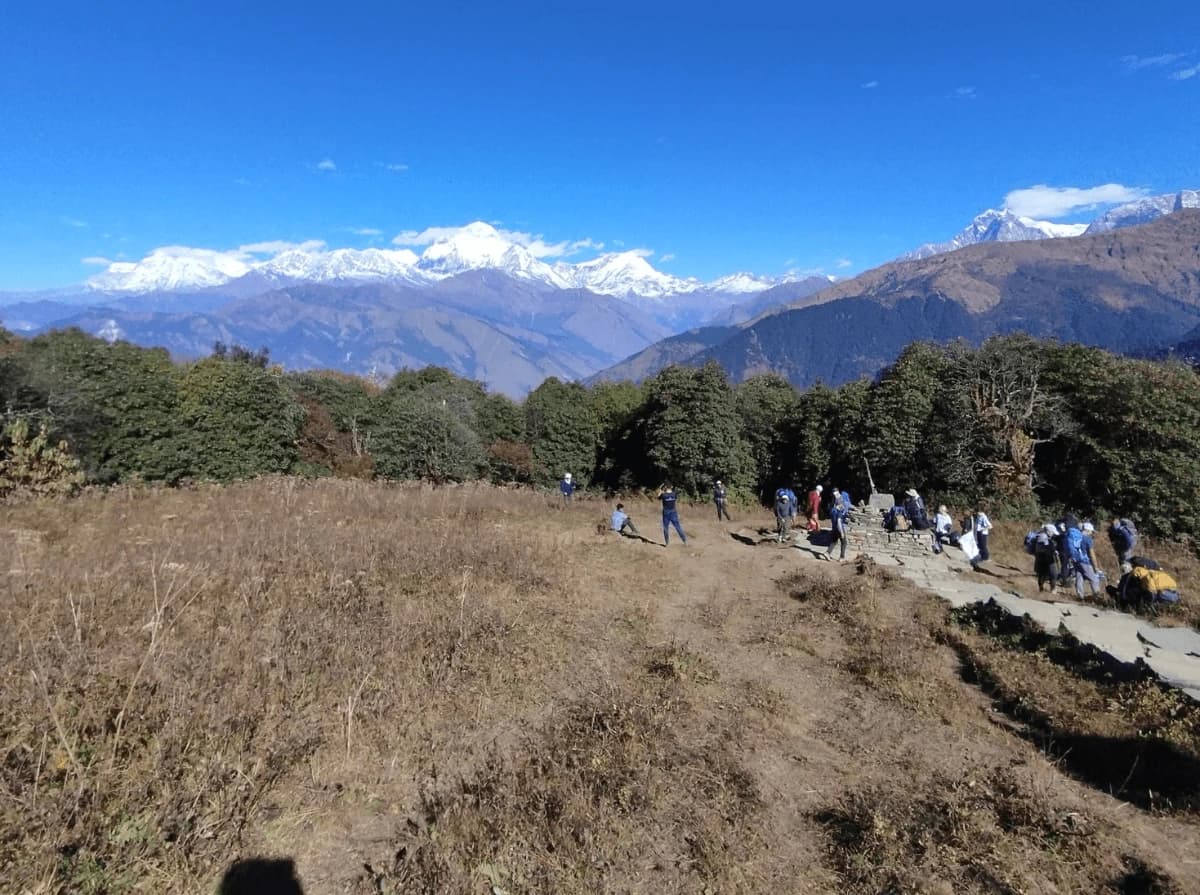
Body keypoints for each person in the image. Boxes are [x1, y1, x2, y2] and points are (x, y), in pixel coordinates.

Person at [1067, 520, 1102, 599]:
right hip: (1085, 561)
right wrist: (1095, 566)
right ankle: (1097, 596)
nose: (1091, 533)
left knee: (1080, 577)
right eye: (1091, 531)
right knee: (1094, 579)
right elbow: (1091, 554)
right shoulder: (1087, 539)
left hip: (1076, 560)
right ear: (1087, 530)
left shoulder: (1077, 537)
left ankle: (1080, 596)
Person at [1032, 522, 1060, 593]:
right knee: (1053, 573)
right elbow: (1040, 548)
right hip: (1045, 558)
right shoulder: (1042, 536)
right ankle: (1050, 589)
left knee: (1044, 574)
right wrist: (1051, 550)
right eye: (1052, 532)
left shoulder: (1044, 536)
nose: (1053, 534)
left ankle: (1043, 589)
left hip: (1043, 558)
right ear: (1048, 531)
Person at [824, 489, 848, 561]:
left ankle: (827, 553)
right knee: (844, 542)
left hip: (834, 527)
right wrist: (841, 532)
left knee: (834, 541)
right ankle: (842, 557)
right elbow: (839, 520)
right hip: (839, 527)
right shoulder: (841, 506)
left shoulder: (833, 508)